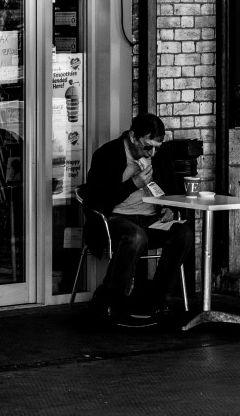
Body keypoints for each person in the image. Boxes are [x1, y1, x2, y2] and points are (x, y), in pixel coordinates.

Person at [82, 113, 193, 327]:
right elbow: (96, 200)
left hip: (149, 218)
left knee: (183, 234)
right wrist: (133, 184)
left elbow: (172, 190)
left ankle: (154, 299)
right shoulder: (108, 154)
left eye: (156, 148)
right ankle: (110, 301)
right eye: (147, 147)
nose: (151, 153)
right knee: (135, 236)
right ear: (133, 137)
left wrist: (169, 208)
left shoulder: (159, 156)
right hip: (113, 218)